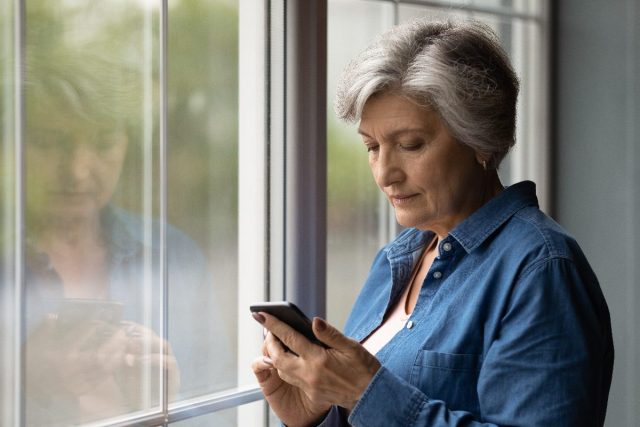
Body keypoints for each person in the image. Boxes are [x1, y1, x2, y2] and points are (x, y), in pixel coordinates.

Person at [251, 19, 614, 426]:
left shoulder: (541, 270)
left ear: (480, 140)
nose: (385, 172)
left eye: (410, 145)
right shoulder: (393, 260)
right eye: (372, 146)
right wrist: (314, 416)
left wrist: (364, 391)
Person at [17, 20, 232, 426]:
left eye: (101, 143)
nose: (78, 171)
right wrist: (19, 381)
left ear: (126, 143)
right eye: (50, 141)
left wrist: (162, 406)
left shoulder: (174, 254)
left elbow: (222, 412)